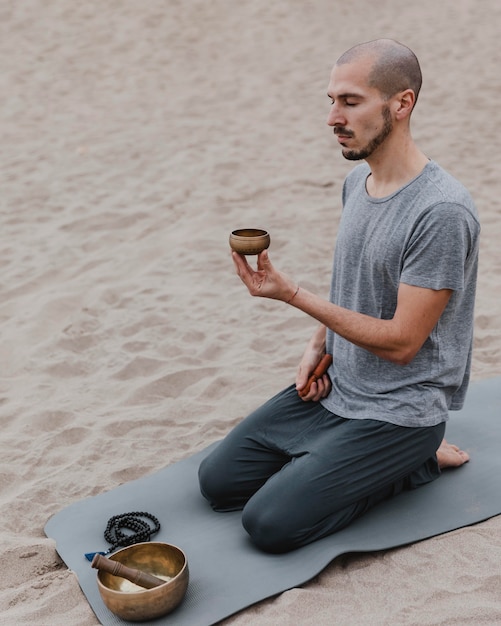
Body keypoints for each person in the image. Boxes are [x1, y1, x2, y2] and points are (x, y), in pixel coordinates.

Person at [198, 39, 480, 553]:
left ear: (401, 103)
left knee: (269, 525)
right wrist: (316, 346)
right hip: (339, 384)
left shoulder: (441, 212)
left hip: (400, 409)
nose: (333, 117)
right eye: (331, 101)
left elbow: (402, 344)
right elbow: (356, 285)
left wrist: (292, 295)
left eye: (350, 101)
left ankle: (415, 462)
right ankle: (347, 462)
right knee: (217, 482)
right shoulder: (357, 182)